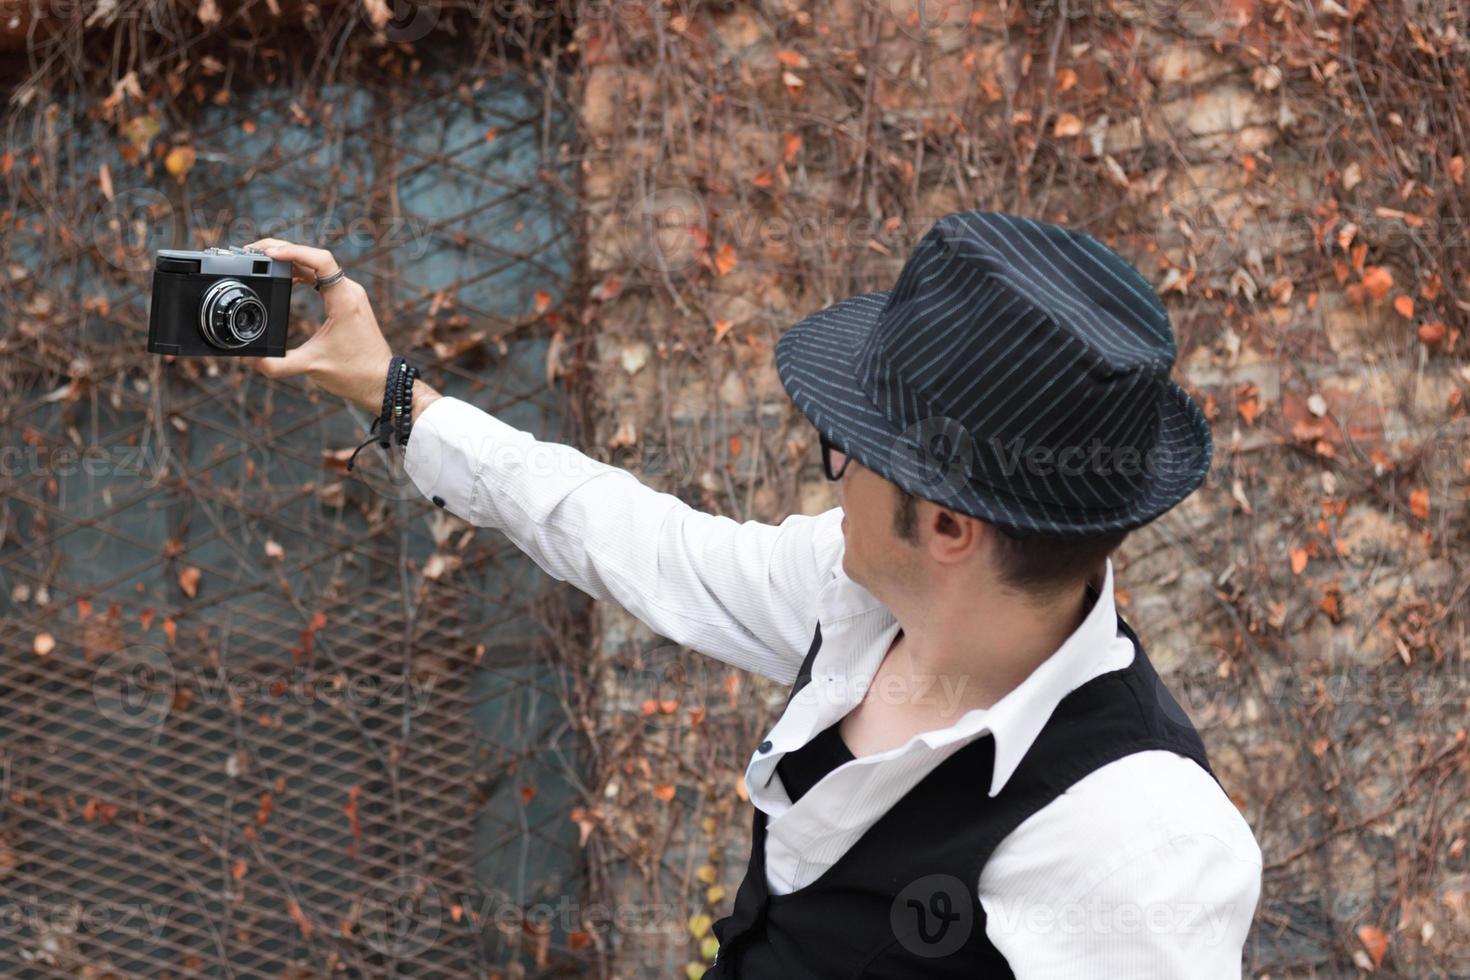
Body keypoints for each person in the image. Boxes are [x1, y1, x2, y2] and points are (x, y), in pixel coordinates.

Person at [242, 210, 1262, 977]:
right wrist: (391, 393)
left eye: (847, 451)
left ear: (949, 528)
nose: (831, 465)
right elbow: (638, 540)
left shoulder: (1145, 847)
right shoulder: (859, 594)